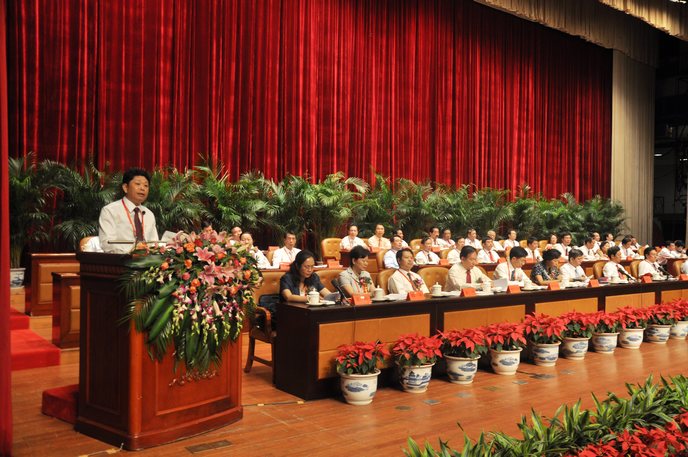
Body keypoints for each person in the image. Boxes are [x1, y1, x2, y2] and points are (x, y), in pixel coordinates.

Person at [98, 168, 159, 253]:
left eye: (146, 185)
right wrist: (130, 253)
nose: (142, 188)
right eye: (138, 184)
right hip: (121, 259)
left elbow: (154, 243)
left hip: (146, 259)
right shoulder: (110, 211)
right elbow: (107, 243)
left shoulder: (149, 214)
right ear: (125, 187)